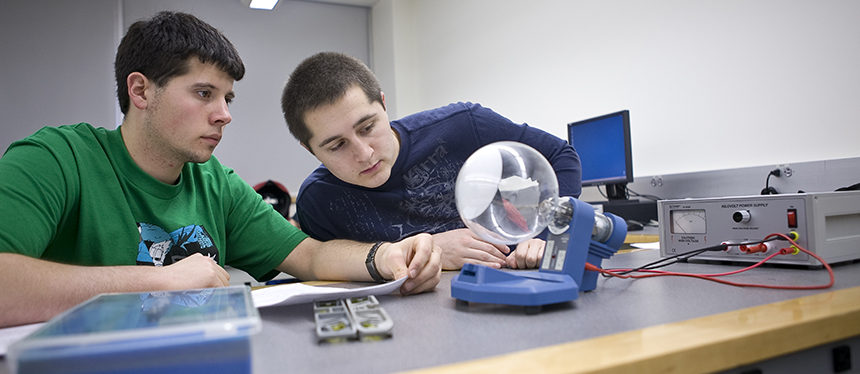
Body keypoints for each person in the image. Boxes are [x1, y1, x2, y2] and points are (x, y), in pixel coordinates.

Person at [0, 12, 440, 329]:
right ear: (141, 91)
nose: (224, 114)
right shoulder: (56, 159)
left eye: (227, 99)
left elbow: (309, 255)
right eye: (204, 93)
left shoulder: (216, 184)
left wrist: (383, 255)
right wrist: (159, 280)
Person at [281, 52, 581, 271]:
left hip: (516, 285)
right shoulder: (318, 201)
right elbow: (328, 271)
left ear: (383, 105)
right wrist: (429, 250)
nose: (365, 154)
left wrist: (547, 237)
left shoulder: (464, 124)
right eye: (337, 145)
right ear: (310, 150)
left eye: (368, 127)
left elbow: (561, 156)